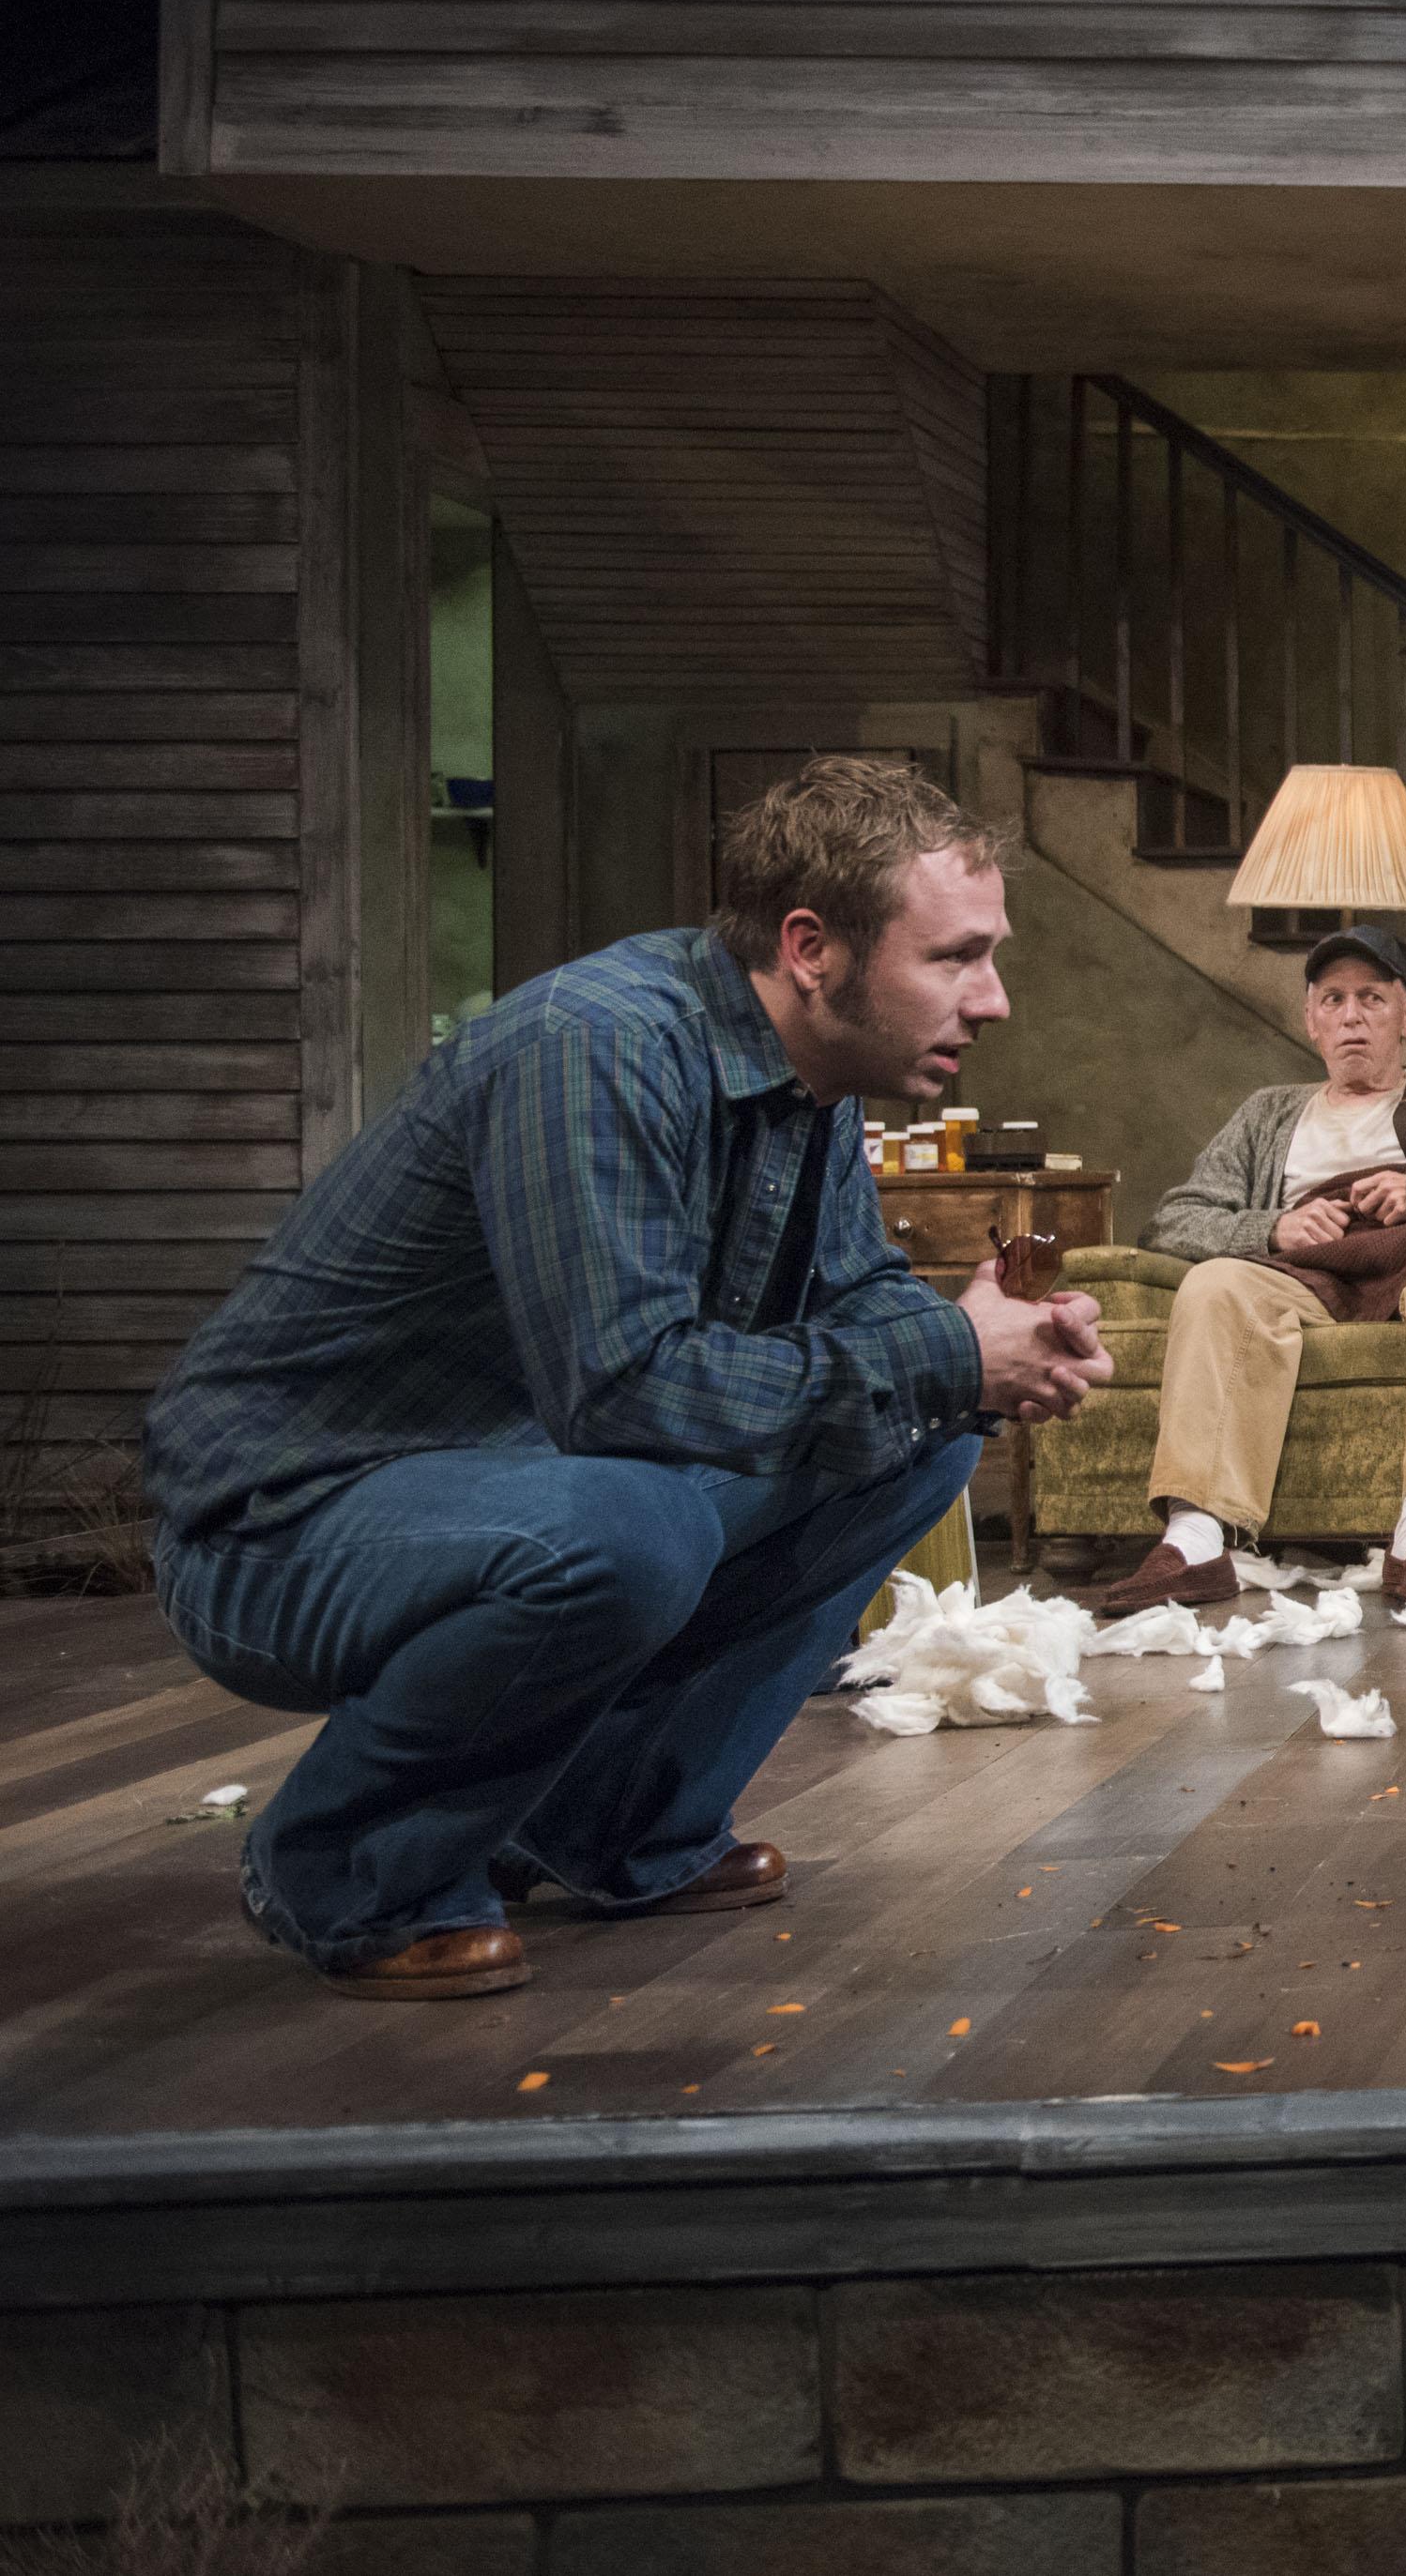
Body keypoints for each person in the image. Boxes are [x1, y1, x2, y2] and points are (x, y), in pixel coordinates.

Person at [143, 758, 1115, 2001]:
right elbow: (625, 1391)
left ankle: (614, 1824)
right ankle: (345, 1864)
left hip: (512, 1478)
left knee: (922, 1434)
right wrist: (943, 1349)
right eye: (957, 956)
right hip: (282, 1526)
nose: (995, 999)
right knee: (633, 1523)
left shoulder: (809, 1076)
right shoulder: (595, 1044)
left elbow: (858, 1301)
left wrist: (983, 1352)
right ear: (811, 945)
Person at [1106, 925, 1406, 1613]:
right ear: (1311, 1020)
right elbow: (1172, 1220)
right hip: (1308, 1275)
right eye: (1333, 999)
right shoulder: (1266, 1113)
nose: (1352, 1015)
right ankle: (1195, 1539)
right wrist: (1271, 1226)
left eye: (1371, 997)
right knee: (1214, 1281)